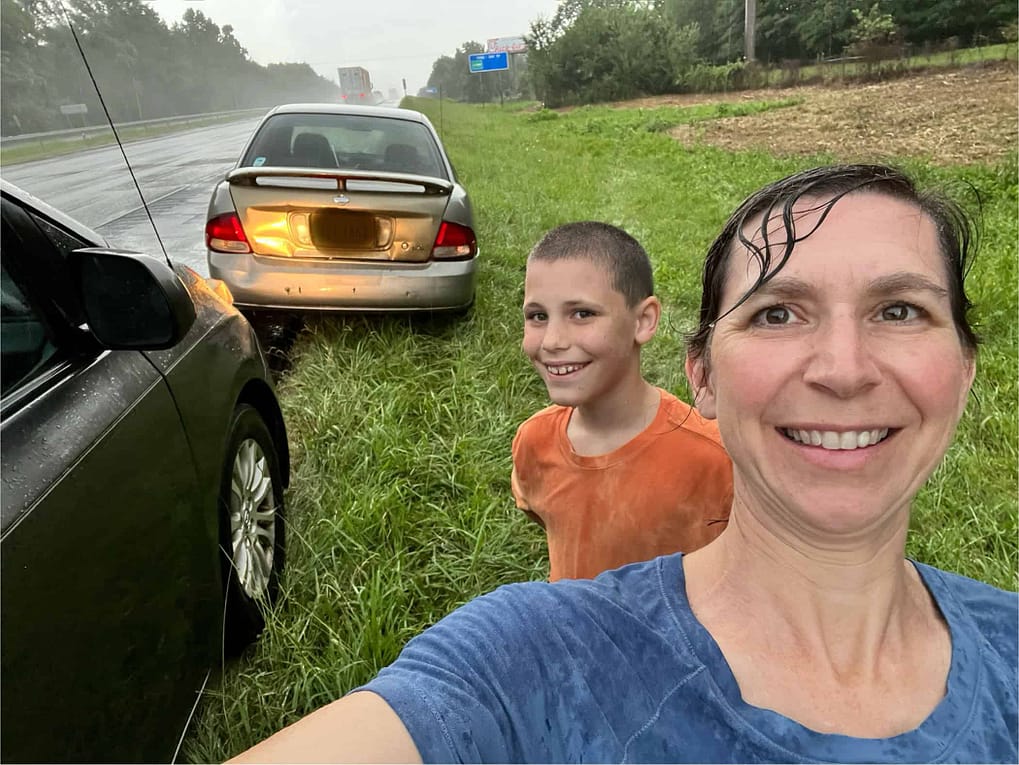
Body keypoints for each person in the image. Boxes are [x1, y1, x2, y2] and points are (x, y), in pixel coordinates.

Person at [230, 164, 1018, 764]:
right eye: (777, 312)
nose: (843, 369)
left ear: (964, 368)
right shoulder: (527, 658)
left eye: (899, 310)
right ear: (702, 372)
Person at [512, 221, 732, 581]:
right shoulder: (533, 443)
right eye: (538, 316)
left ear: (643, 321)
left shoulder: (714, 459)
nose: (551, 340)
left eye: (582, 314)